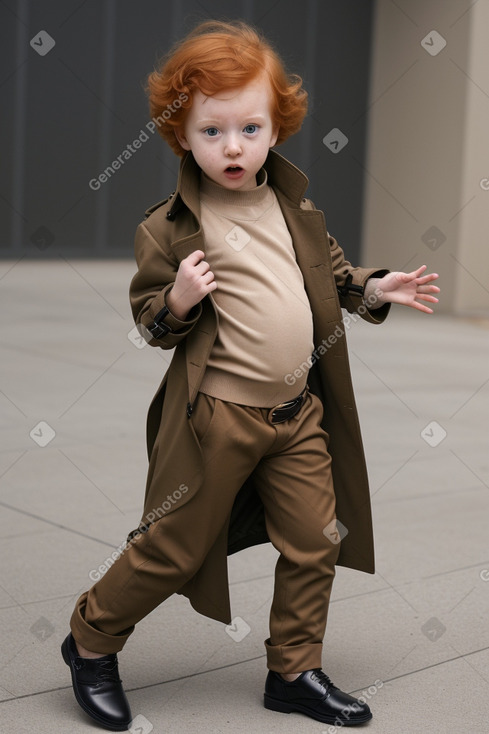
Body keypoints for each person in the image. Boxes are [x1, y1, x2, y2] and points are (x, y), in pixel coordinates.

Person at [61, 19, 440, 731]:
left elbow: (334, 278)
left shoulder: (293, 209)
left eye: (249, 128)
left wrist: (375, 288)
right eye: (211, 132)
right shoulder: (169, 226)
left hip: (297, 414)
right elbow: (149, 323)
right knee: (171, 548)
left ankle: (294, 670)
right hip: (218, 420)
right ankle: (90, 641)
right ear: (182, 136)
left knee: (315, 540)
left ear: (276, 128)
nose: (232, 147)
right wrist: (175, 301)